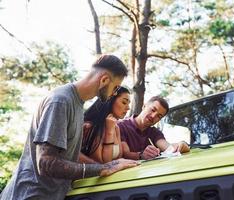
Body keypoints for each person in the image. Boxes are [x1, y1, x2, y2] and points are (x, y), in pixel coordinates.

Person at [0, 54, 140, 200]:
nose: (115, 92)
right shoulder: (60, 101)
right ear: (104, 80)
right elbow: (46, 163)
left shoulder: (77, 104)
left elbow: (69, 156)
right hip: (29, 195)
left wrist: (111, 165)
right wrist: (103, 168)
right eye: (115, 87)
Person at [118, 96, 190, 160]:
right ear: (144, 106)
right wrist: (141, 155)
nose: (153, 116)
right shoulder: (121, 125)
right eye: (153, 110)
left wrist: (180, 145)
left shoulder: (155, 133)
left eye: (159, 116)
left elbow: (167, 147)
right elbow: (124, 154)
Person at [79, 86, 131, 164]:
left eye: (128, 104)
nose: (128, 108)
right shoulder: (90, 126)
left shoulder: (116, 127)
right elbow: (103, 163)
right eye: (124, 102)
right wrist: (109, 132)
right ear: (110, 100)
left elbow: (119, 158)